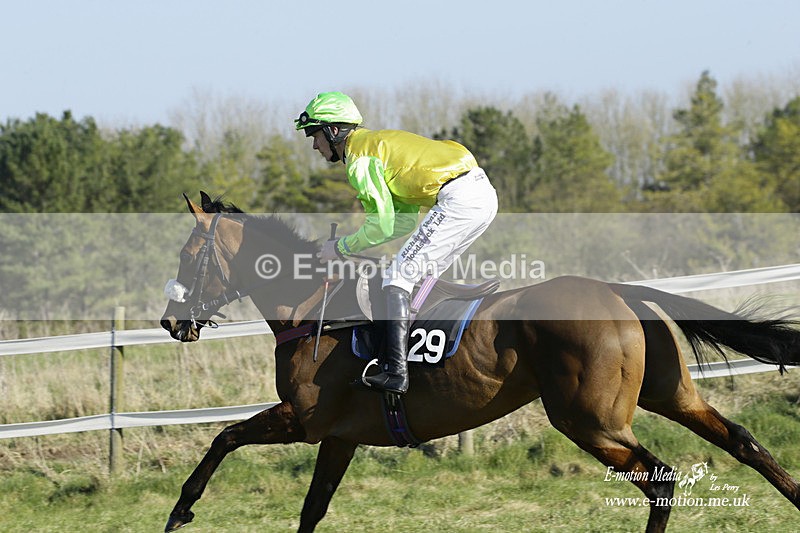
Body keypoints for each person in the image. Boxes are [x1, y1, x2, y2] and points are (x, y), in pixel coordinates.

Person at [296, 91, 498, 394]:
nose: (314, 145)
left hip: (458, 199)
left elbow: (382, 225)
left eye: (314, 135)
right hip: (481, 195)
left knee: (397, 277)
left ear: (333, 131)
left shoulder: (360, 159)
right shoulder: (377, 144)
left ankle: (396, 372)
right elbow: (402, 222)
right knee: (418, 276)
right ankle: (416, 353)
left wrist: (340, 247)